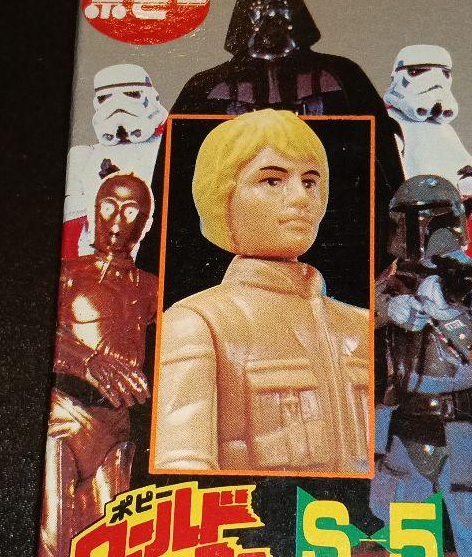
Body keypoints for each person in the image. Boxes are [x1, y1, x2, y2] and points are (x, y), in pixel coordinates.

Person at [153, 110, 371, 475]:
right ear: (224, 195)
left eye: (310, 182)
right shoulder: (200, 323)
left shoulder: (360, 324)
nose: (300, 198)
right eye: (272, 180)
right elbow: (181, 466)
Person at [164, 0, 403, 271]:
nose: (270, 14)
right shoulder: (206, 87)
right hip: (232, 244)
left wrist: (396, 242)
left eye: (281, 2)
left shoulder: (343, 77)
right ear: (242, 12)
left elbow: (385, 164)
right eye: (258, 3)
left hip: (338, 236)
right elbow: (172, 179)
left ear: (297, 7)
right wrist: (161, 262)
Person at [372, 174, 472, 557]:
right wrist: (387, 311)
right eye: (406, 221)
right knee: (402, 497)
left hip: (462, 417)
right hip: (404, 414)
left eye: (422, 221)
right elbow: (350, 337)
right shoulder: (389, 281)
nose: (413, 233)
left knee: (471, 500)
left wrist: (449, 317)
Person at [37, 173, 157, 557]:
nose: (117, 219)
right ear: (94, 211)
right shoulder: (68, 273)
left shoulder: (152, 288)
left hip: (115, 430)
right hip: (65, 417)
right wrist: (88, 361)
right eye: (109, 206)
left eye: (130, 210)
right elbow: (42, 336)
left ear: (145, 223)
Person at [63, 63, 167, 257]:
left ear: (151, 97)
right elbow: (71, 227)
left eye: (131, 94)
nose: (118, 106)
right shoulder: (84, 157)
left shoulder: (168, 145)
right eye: (105, 98)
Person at [383, 45, 472, 220]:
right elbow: (396, 182)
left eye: (444, 73)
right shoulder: (391, 124)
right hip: (413, 220)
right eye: (418, 72)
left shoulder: (444, 129)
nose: (435, 83)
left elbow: (462, 173)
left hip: (448, 219)